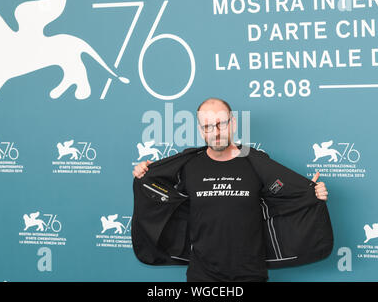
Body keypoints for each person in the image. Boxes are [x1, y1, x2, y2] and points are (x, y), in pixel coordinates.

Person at [132, 97, 328, 282]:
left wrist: (310, 193)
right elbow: (161, 193)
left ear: (232, 124)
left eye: (221, 124)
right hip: (202, 276)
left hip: (250, 274)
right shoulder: (188, 164)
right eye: (208, 126)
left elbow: (281, 197)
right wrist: (144, 175)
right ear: (201, 131)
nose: (216, 132)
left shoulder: (256, 161)